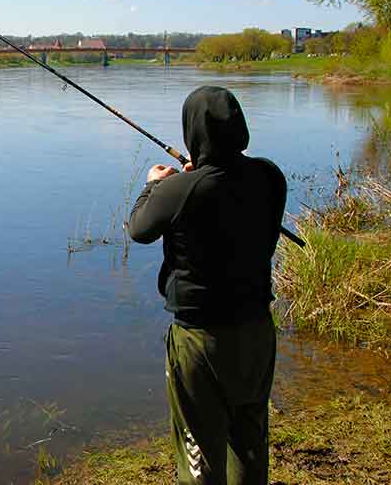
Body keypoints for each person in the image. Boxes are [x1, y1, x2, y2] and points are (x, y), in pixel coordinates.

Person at [128, 86, 287, 485]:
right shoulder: (269, 176)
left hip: (200, 339)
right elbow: (231, 195)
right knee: (249, 440)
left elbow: (138, 229)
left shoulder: (177, 190)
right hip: (257, 330)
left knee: (199, 447)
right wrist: (193, 177)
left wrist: (154, 184)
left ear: (193, 132)